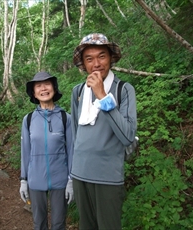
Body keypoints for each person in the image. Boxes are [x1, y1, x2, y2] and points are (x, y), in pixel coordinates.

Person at [70, 33, 137, 229]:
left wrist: (102, 95)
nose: (96, 63)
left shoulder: (124, 90)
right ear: (83, 64)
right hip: (80, 173)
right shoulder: (78, 91)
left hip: (108, 175)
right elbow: (75, 133)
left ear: (110, 58)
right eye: (89, 59)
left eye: (102, 56)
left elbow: (127, 136)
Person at [19, 71, 74, 230]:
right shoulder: (28, 120)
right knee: (39, 223)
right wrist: (24, 180)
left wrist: (71, 180)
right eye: (38, 86)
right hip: (35, 179)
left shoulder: (66, 118)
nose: (43, 88)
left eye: (47, 84)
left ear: (54, 89)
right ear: (34, 93)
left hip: (60, 179)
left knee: (58, 224)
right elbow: (25, 151)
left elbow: (71, 150)